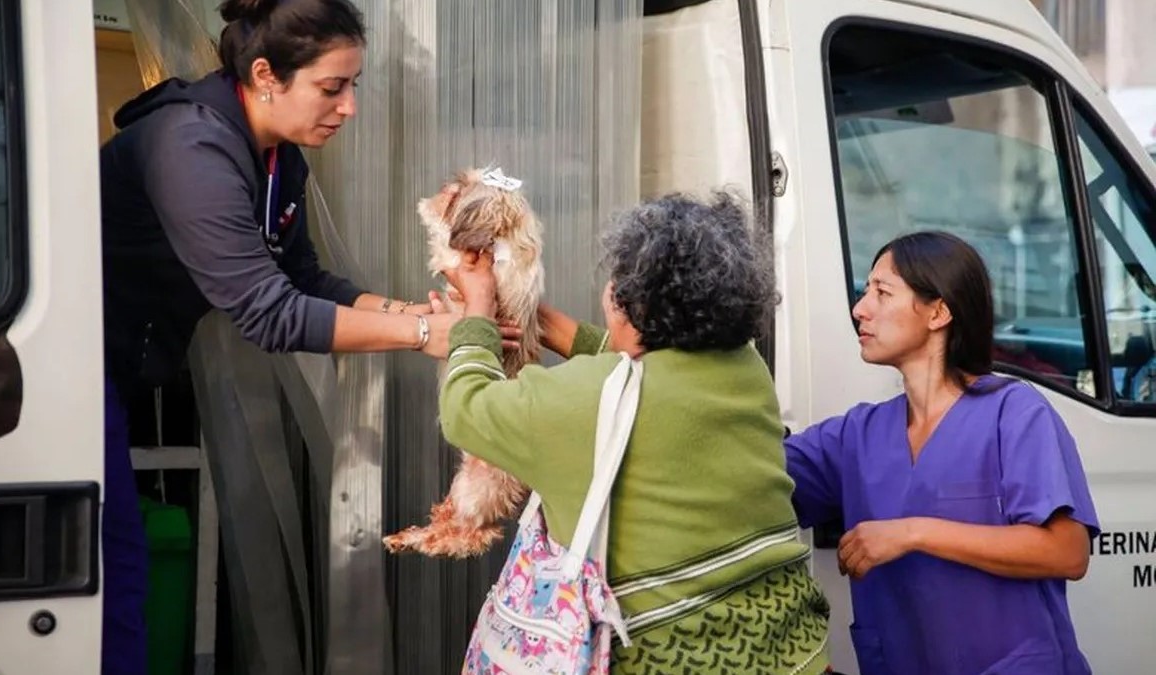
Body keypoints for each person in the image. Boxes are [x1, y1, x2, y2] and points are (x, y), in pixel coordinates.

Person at [97, 1, 515, 670]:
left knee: (121, 570)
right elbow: (268, 312)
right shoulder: (190, 147)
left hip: (119, 368)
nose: (348, 107)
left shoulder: (277, 159)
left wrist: (415, 310)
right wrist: (418, 332)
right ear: (265, 75)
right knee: (111, 576)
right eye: (332, 87)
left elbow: (303, 277)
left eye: (353, 86)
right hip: (73, 373)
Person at [438, 191, 831, 674]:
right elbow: (628, 359)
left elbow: (465, 406)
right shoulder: (745, 368)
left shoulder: (584, 399)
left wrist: (476, 310)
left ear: (629, 301)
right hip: (791, 649)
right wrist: (523, 310)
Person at [785, 231, 1098, 675]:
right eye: (864, 292)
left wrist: (911, 533)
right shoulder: (857, 434)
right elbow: (758, 474)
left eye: (881, 292)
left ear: (939, 311)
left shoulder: (1014, 412)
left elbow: (1067, 552)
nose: (860, 309)